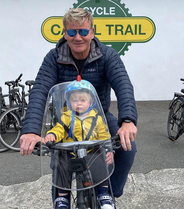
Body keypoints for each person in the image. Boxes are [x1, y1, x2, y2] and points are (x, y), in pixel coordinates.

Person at [20, 7, 137, 201]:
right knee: (59, 161)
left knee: (128, 148)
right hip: (64, 119)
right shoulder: (53, 57)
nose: (78, 37)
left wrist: (127, 120)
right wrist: (31, 130)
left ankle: (110, 194)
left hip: (98, 116)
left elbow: (123, 85)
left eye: (83, 31)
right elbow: (40, 90)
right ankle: (61, 200)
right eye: (72, 32)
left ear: (92, 32)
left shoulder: (107, 55)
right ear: (65, 33)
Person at [45, 80, 115, 209]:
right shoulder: (66, 117)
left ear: (91, 102)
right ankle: (62, 198)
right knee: (60, 164)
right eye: (75, 101)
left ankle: (104, 195)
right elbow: (59, 129)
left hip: (90, 151)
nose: (79, 104)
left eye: (83, 100)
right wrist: (52, 135)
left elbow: (104, 136)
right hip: (70, 152)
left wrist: (109, 150)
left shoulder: (97, 118)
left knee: (101, 161)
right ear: (69, 103)